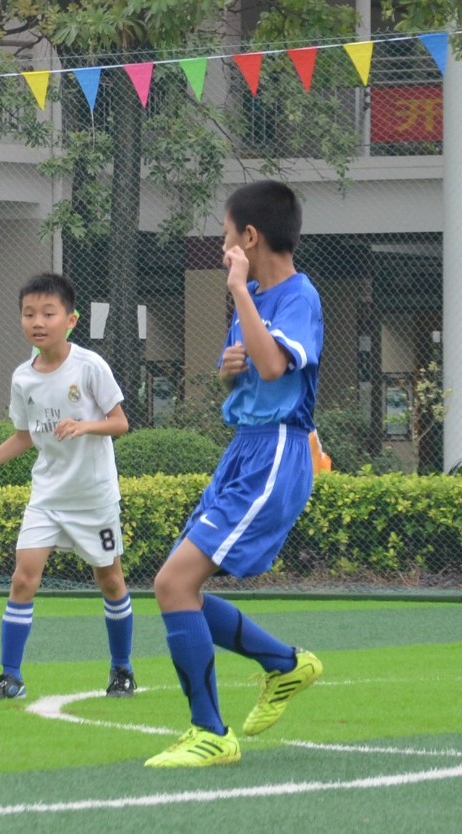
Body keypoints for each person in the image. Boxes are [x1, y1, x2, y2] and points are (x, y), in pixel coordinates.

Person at [145, 180, 324, 768]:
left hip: (275, 454)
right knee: (179, 587)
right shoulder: (250, 295)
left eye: (226, 236)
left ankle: (212, 733)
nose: (224, 248)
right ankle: (284, 664)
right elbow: (246, 371)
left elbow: (274, 366)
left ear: (249, 237)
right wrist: (228, 368)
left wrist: (236, 296)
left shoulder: (298, 296)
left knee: (173, 585)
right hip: (244, 451)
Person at [0, 273, 135, 702]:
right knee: (22, 580)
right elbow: (24, 436)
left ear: (70, 320)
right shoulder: (22, 377)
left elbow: (121, 422)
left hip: (94, 500)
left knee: (110, 581)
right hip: (47, 498)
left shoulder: (90, 366)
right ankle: (11, 678)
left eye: (48, 313)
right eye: (29, 313)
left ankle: (122, 670)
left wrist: (86, 425)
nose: (38, 321)